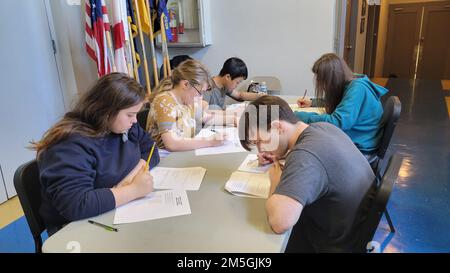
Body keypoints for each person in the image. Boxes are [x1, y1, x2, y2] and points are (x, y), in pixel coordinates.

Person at [239, 96, 375, 252]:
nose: (261, 149)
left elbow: (280, 223)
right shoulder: (321, 128)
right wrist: (280, 154)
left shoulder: (305, 156)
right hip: (352, 225)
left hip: (334, 243)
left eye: (259, 141)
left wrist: (275, 183)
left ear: (277, 128)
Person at [31, 73, 160, 235]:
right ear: (107, 111)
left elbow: (151, 150)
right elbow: (76, 205)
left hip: (114, 210)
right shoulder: (69, 144)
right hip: (79, 227)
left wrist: (133, 176)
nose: (135, 120)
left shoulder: (125, 126)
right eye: (130, 114)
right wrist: (133, 190)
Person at [295, 53, 388, 160]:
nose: (323, 85)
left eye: (323, 81)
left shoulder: (358, 89)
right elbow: (344, 102)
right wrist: (313, 103)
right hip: (362, 138)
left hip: (361, 149)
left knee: (307, 149)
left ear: (332, 78)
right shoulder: (351, 81)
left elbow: (337, 122)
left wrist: (300, 116)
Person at [147, 59, 227, 151]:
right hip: (164, 158)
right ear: (185, 84)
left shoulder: (187, 102)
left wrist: (234, 119)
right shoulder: (164, 101)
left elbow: (206, 117)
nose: (200, 97)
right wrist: (210, 141)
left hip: (181, 154)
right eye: (199, 92)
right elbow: (171, 144)